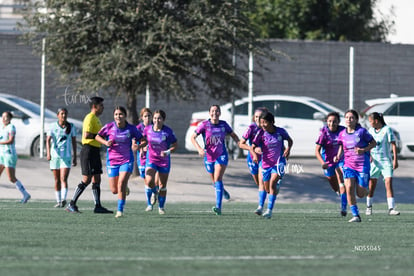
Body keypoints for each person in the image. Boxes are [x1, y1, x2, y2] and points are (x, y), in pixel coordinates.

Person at [95, 106, 145, 218]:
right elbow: (97, 136)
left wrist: (138, 146)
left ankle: (120, 211)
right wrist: (105, 142)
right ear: (114, 116)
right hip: (112, 160)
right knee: (114, 190)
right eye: (116, 114)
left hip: (126, 160)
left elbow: (143, 140)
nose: (118, 116)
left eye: (120, 114)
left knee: (121, 182)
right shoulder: (109, 127)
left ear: (125, 116)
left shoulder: (131, 129)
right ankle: (124, 188)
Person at [66, 96, 113, 214]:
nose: (103, 108)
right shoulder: (89, 118)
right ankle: (71, 204)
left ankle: (97, 206)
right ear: (94, 107)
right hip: (88, 150)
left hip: (95, 150)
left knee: (97, 178)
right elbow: (87, 135)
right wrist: (100, 137)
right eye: (101, 105)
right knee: (86, 179)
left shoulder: (97, 119)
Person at [191, 105, 240, 215]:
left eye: (217, 111)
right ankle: (223, 191)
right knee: (215, 181)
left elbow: (233, 134)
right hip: (208, 156)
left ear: (220, 113)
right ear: (209, 113)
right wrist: (199, 149)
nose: (215, 113)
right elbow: (192, 137)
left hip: (221, 155)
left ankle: (218, 207)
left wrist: (239, 142)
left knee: (218, 178)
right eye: (213, 111)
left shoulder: (224, 125)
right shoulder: (204, 125)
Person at [334, 109, 376, 223]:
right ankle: (356, 215)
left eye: (351, 117)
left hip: (362, 165)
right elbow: (341, 146)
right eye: (347, 117)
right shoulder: (342, 134)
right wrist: (338, 156)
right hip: (348, 165)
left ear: (356, 120)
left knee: (360, 194)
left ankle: (366, 190)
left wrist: (364, 150)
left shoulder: (362, 132)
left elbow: (373, 143)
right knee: (349, 188)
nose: (349, 120)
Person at [250, 111, 293, 219]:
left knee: (272, 183)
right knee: (267, 188)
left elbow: (290, 140)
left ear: (272, 122)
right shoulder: (260, 133)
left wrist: (288, 149)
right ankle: (261, 206)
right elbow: (253, 146)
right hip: (265, 164)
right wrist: (255, 151)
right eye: (261, 122)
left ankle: (269, 210)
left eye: (265, 122)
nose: (263, 125)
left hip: (279, 162)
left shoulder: (280, 132)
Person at [143, 109, 177, 215]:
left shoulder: (168, 131)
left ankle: (161, 207)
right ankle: (152, 197)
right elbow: (143, 140)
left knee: (162, 185)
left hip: (164, 161)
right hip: (151, 159)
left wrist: (167, 152)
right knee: (149, 181)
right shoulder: (148, 129)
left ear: (163, 120)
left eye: (159, 118)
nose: (156, 120)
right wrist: (141, 147)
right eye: (155, 118)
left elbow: (175, 145)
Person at [366, 112, 400, 216]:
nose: (370, 123)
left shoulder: (387, 130)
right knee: (372, 185)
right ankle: (369, 207)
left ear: (376, 121)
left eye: (370, 121)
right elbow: (368, 145)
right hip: (375, 163)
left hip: (386, 162)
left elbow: (393, 145)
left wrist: (395, 160)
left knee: (388, 182)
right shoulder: (370, 131)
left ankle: (391, 208)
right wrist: (369, 157)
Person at [315, 112, 347, 216]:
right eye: (329, 121)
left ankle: (344, 207)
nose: (332, 123)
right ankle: (340, 193)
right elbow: (317, 151)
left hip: (340, 159)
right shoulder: (323, 132)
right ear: (326, 122)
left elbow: (344, 145)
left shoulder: (343, 130)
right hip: (328, 162)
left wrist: (339, 155)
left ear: (338, 122)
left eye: (334, 121)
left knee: (341, 179)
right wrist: (322, 163)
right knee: (333, 183)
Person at [46, 107, 77, 208]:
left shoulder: (71, 126)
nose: (64, 116)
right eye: (62, 114)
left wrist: (75, 156)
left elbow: (73, 141)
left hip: (66, 156)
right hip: (55, 156)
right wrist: (48, 153)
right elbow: (48, 140)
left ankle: (64, 199)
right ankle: (59, 201)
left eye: (65, 114)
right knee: (57, 179)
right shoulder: (52, 126)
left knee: (63, 178)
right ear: (57, 115)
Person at [0, 111, 31, 203]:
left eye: (6, 117)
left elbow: (10, 140)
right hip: (1, 155)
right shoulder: (2, 127)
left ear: (10, 118)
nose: (4, 118)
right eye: (3, 117)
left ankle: (25, 194)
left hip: (9, 155)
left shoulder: (11, 127)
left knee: (11, 178)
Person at [135, 107, 158, 206]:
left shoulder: (155, 127)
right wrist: (140, 149)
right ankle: (153, 195)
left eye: (149, 116)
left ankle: (151, 202)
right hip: (142, 157)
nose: (147, 118)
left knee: (152, 178)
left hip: (153, 156)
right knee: (145, 179)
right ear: (141, 118)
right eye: (145, 116)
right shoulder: (138, 128)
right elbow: (136, 141)